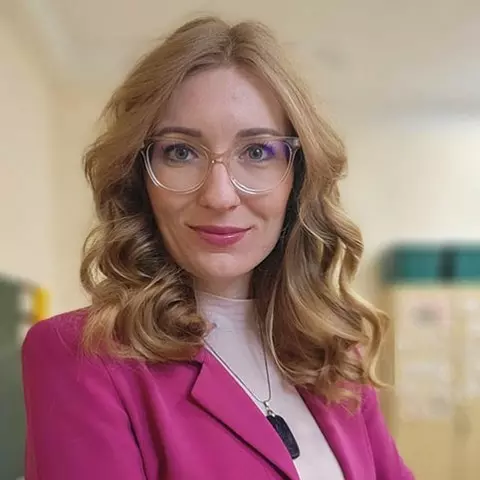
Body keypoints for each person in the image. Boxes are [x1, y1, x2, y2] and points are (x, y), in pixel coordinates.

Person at [21, 15, 413, 480]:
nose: (220, 195)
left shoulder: (332, 354)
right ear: (139, 176)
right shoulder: (81, 357)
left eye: (258, 152)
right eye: (181, 152)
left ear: (297, 178)